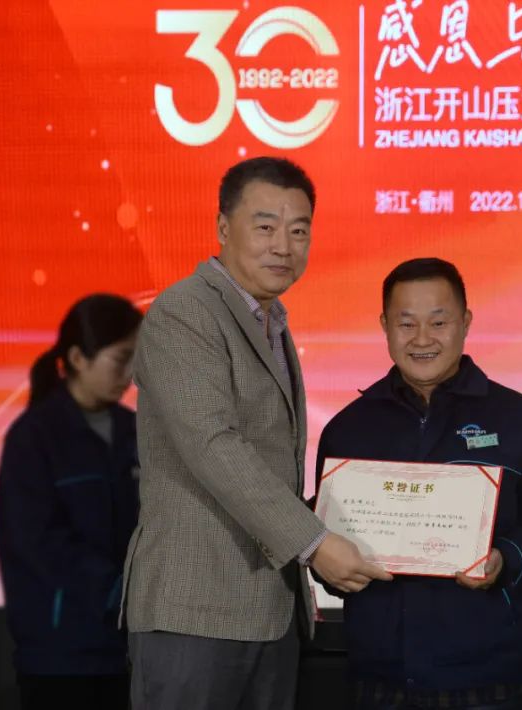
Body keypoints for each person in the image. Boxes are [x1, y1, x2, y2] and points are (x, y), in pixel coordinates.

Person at [122, 156, 390, 710]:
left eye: (299, 231)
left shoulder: (270, 320)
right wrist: (315, 542)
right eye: (265, 227)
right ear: (223, 228)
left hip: (268, 611)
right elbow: (212, 444)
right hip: (195, 610)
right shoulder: (185, 312)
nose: (283, 246)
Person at [315, 258, 522, 709]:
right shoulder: (348, 430)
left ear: (466, 323)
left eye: (438, 322)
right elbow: (328, 542)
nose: (422, 339)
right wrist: (327, 564)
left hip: (489, 685)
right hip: (379, 682)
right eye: (406, 323)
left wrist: (505, 558)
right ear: (384, 326)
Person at [0, 293, 143, 710]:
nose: (130, 374)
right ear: (78, 358)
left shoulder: (135, 430)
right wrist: (115, 588)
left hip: (129, 649)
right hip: (60, 652)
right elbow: (33, 541)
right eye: (121, 359)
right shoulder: (35, 436)